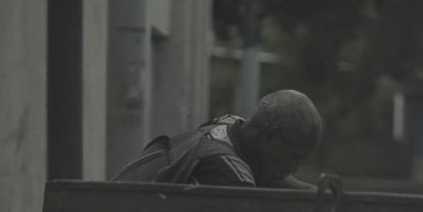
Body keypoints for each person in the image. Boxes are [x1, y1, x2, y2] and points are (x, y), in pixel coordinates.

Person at [113, 89, 321, 188]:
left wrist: (317, 194)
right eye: (294, 157)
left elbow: (273, 178)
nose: (294, 169)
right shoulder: (231, 175)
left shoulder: (230, 124)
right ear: (272, 137)